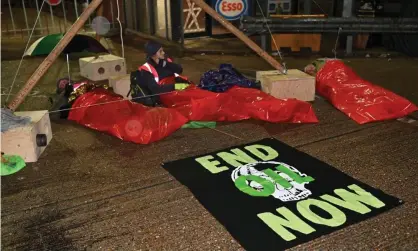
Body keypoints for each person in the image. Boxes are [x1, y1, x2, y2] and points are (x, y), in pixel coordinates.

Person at [129, 41, 190, 106]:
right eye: (160, 51)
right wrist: (176, 86)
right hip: (164, 96)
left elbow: (179, 70)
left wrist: (166, 64)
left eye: (162, 50)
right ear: (153, 54)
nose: (163, 53)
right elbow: (156, 89)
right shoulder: (146, 70)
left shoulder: (165, 62)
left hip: (175, 90)